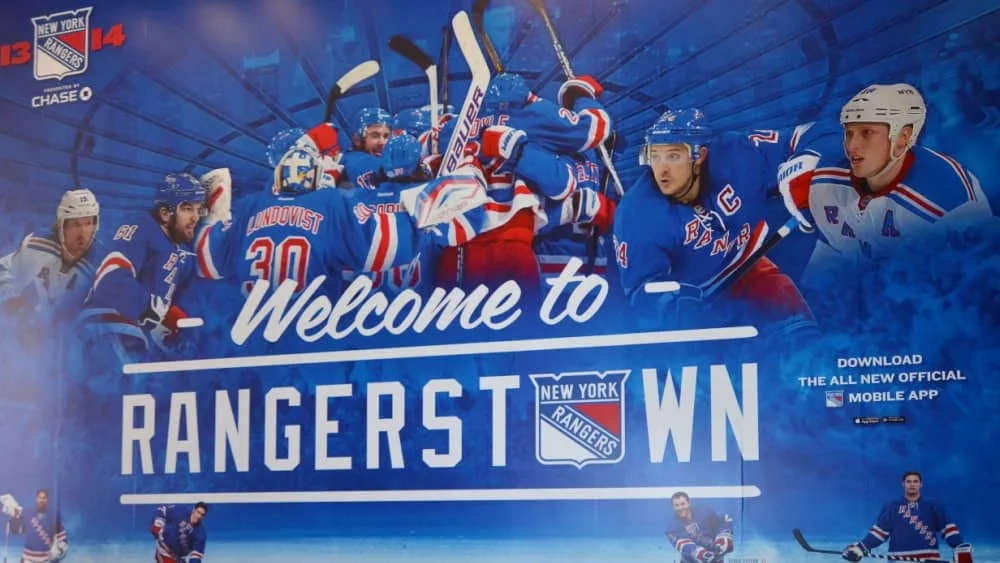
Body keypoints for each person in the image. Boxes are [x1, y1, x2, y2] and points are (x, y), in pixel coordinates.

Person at [612, 108, 815, 331]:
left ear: (700, 155)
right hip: (699, 298)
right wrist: (670, 305)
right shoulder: (636, 213)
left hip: (748, 266)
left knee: (800, 331)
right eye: (655, 156)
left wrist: (806, 167)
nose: (662, 169)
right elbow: (641, 293)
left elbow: (808, 135)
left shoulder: (738, 153)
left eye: (673, 155)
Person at [779, 83, 996, 273]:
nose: (852, 145)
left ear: (902, 139)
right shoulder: (822, 179)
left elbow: (976, 290)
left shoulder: (951, 202)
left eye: (867, 133)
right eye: (849, 133)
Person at [80, 173, 209, 357]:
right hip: (105, 326)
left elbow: (155, 303)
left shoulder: (182, 253)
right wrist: (155, 312)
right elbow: (110, 278)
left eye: (198, 209)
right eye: (187, 208)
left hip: (132, 336)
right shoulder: (142, 227)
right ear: (165, 213)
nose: (195, 217)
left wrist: (169, 320)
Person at [0, 188, 100, 321]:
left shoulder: (99, 266)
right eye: (75, 224)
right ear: (62, 226)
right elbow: (4, 268)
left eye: (88, 224)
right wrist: (10, 299)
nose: (82, 234)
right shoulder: (36, 246)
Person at [842, 471, 972, 562]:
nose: (912, 484)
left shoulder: (934, 506)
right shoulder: (891, 507)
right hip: (898, 560)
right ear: (903, 484)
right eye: (908, 481)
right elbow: (878, 534)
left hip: (929, 559)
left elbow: (948, 530)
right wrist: (861, 548)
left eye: (915, 481)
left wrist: (960, 547)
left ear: (921, 484)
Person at [665, 491, 734, 563]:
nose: (680, 508)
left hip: (716, 556)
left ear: (689, 503)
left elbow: (726, 520)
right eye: (677, 505)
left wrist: (723, 539)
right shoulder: (671, 528)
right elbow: (685, 546)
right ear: (673, 507)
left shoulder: (705, 511)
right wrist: (704, 555)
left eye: (683, 504)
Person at [3, 489, 69, 563]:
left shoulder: (53, 515)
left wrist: (60, 550)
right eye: (39, 497)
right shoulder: (27, 513)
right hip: (28, 559)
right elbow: (17, 530)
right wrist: (13, 518)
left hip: (47, 559)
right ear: (36, 498)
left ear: (47, 500)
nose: (41, 500)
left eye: (44, 498)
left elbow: (62, 538)